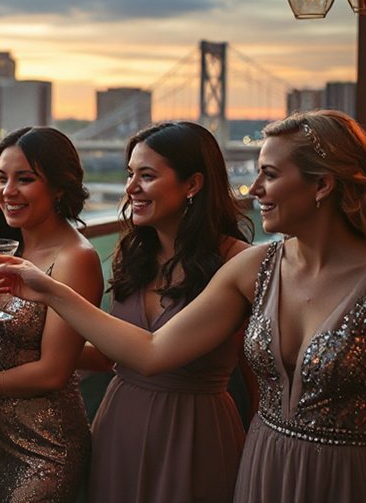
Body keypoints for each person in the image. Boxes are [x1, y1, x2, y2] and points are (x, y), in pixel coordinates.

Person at [0, 110, 366, 502]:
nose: (253, 190)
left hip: (345, 477)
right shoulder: (256, 266)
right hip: (260, 464)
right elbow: (147, 352)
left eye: (269, 175)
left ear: (322, 185)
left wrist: (48, 290)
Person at [87, 122, 253, 502]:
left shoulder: (238, 261)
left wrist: (52, 292)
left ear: (192, 184)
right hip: (119, 423)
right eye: (131, 175)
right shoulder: (132, 255)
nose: (131, 188)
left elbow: (253, 364)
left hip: (194, 432)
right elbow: (116, 354)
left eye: (146, 176)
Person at [0, 127, 102, 503]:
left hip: (44, 443)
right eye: (0, 178)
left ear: (59, 188)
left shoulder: (75, 258)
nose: (7, 191)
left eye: (24, 179)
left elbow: (53, 371)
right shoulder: (6, 248)